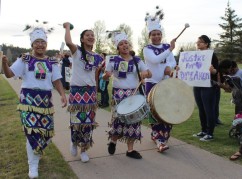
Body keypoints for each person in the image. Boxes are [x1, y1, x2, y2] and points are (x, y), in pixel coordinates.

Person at [1, 28, 67, 178]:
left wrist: (63, 94)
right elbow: (9, 74)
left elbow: (56, 80)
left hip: (45, 101)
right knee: (31, 132)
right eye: (37, 42)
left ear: (46, 44)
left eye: (42, 42)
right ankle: (33, 166)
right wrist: (4, 64)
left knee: (47, 134)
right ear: (32, 44)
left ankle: (36, 152)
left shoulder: (51, 62)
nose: (40, 45)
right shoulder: (24, 59)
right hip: (28, 100)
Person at [103, 31, 151, 159]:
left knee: (134, 122)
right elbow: (105, 76)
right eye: (121, 44)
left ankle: (130, 150)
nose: (125, 45)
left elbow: (147, 72)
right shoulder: (113, 60)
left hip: (133, 94)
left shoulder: (137, 60)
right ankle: (113, 141)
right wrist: (106, 75)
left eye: (126, 43)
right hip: (118, 94)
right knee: (118, 121)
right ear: (117, 47)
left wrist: (146, 74)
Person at [63, 22, 103, 163]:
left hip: (90, 92)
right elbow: (68, 41)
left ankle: (84, 150)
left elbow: (96, 75)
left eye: (92, 35)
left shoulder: (98, 57)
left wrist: (96, 91)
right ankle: (74, 142)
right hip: (76, 92)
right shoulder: (77, 52)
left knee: (88, 123)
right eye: (87, 35)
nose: (90, 37)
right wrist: (67, 27)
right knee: (76, 121)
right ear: (82, 39)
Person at [143, 8, 177, 152]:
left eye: (158, 34)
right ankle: (159, 140)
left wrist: (169, 68)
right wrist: (170, 49)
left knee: (168, 111)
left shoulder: (166, 47)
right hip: (152, 85)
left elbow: (173, 62)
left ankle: (161, 136)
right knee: (156, 112)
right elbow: (155, 60)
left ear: (161, 35)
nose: (156, 36)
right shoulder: (147, 49)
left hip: (166, 84)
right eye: (153, 34)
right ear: (149, 36)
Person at [192, 35, 219, 141]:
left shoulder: (212, 55)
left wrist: (213, 71)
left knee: (209, 109)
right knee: (201, 109)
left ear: (206, 44)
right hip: (197, 84)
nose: (198, 43)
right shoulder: (195, 55)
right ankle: (203, 130)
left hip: (208, 85)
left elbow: (217, 71)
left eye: (201, 42)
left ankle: (210, 133)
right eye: (197, 41)